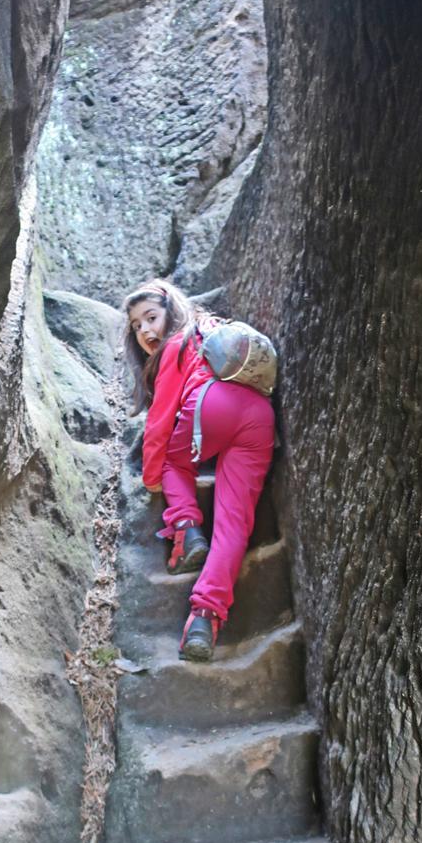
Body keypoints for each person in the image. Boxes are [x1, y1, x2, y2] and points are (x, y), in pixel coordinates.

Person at [122, 278, 275, 662]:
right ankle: (204, 621)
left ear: (171, 310)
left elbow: (158, 427)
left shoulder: (179, 343)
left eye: (151, 317)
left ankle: (188, 534)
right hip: (259, 417)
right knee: (234, 524)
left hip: (211, 406)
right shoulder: (214, 331)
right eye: (136, 326)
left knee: (174, 464)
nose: (145, 331)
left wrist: (152, 480)